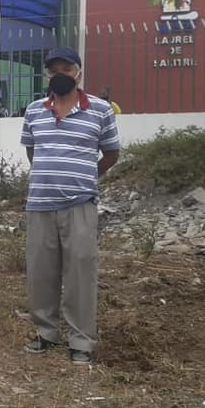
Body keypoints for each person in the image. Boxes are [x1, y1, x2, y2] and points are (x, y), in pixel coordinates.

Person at [21, 47, 120, 365]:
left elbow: (111, 154)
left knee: (80, 272)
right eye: (54, 70)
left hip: (80, 204)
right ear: (47, 75)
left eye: (66, 68)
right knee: (41, 272)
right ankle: (46, 333)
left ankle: (81, 341)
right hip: (40, 204)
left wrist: (86, 177)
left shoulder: (101, 110)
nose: (59, 74)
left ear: (78, 72)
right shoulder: (34, 111)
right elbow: (32, 152)